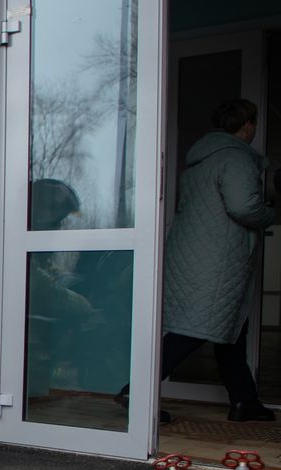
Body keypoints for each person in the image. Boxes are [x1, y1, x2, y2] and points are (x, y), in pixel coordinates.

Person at [118, 99, 276, 423]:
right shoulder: (235, 157)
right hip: (217, 261)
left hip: (193, 255)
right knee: (192, 331)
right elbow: (244, 207)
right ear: (247, 125)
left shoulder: (199, 161)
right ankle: (134, 392)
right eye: (254, 124)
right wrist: (270, 215)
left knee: (230, 331)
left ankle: (244, 401)